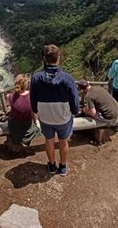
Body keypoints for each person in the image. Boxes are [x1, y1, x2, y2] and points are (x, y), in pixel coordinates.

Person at [30, 44, 79, 177]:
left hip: (45, 117)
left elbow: (33, 100)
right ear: (58, 58)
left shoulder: (36, 78)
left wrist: (36, 111)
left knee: (49, 140)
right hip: (63, 117)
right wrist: (74, 111)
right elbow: (74, 101)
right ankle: (62, 166)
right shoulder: (67, 79)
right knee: (63, 141)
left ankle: (52, 165)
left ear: (44, 59)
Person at [6, 74, 41, 147]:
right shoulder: (31, 96)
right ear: (26, 85)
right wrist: (37, 122)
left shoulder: (9, 96)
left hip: (14, 126)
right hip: (27, 125)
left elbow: (9, 109)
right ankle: (26, 141)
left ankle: (16, 141)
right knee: (37, 129)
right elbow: (34, 112)